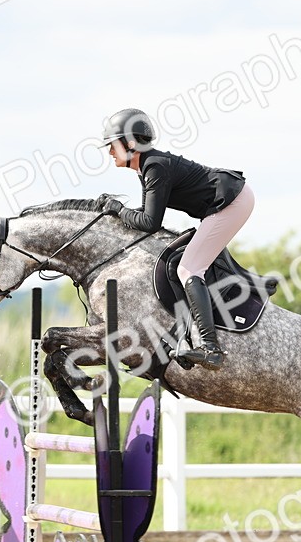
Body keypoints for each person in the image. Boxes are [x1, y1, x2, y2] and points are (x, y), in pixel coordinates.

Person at [100, 108, 255, 370]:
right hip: (229, 200)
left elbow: (150, 223)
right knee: (185, 265)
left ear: (131, 143)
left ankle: (211, 349)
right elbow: (147, 214)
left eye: (113, 145)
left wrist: (118, 209)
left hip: (231, 201)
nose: (109, 152)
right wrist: (119, 213)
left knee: (189, 269)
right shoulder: (147, 166)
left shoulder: (155, 166)